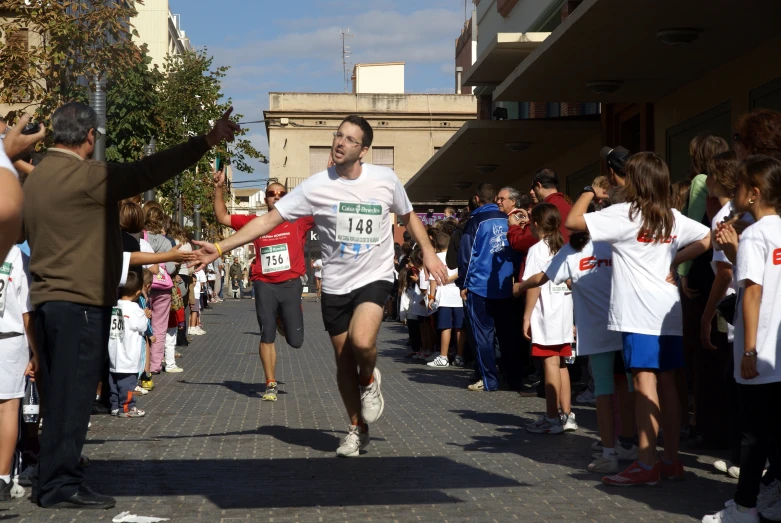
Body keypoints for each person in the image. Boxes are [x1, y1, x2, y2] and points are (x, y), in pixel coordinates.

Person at [191, 115, 448, 457]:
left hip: (374, 276)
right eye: (338, 135)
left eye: (350, 139)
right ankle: (357, 428)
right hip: (336, 283)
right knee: (343, 360)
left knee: (361, 341)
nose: (340, 142)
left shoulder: (385, 180)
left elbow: (408, 215)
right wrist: (221, 248)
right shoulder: (315, 186)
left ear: (364, 150)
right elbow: (267, 220)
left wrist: (429, 254)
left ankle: (370, 380)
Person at [22, 102, 238, 509]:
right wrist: (206, 141)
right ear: (89, 138)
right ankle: (59, 485)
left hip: (47, 299)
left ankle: (54, 475)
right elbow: (150, 170)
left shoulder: (37, 177)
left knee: (59, 394)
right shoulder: (88, 177)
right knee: (75, 396)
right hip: (81, 301)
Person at [566, 152, 711, 487]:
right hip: (667, 309)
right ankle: (671, 461)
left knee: (646, 384)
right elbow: (707, 237)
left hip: (638, 313)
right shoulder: (672, 217)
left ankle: (646, 464)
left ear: (635, 181)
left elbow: (573, 222)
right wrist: (674, 260)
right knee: (670, 384)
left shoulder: (625, 214)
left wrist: (589, 190)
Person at [516, 198, 638, 471]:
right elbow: (566, 280)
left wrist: (520, 290)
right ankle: (624, 442)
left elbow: (542, 278)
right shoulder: (613, 245)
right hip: (615, 327)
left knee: (605, 390)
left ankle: (609, 449)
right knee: (622, 388)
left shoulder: (572, 249)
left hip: (596, 329)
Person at [705, 155, 781, 523]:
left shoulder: (756, 233)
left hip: (761, 351)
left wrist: (748, 349)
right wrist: (736, 251)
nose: (732, 193)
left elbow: (751, 292)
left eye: (737, 188)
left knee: (754, 438)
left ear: (753, 194)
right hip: (778, 353)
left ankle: (743, 508)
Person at [213, 170, 314, 402]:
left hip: (290, 285)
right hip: (264, 284)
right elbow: (222, 217)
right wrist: (218, 188)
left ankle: (283, 321)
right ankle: (270, 383)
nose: (276, 197)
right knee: (266, 332)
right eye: (271, 194)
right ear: (266, 198)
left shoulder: (299, 220)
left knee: (296, 342)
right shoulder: (255, 222)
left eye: (281, 194)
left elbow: (330, 210)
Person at [457, 183, 520, 392]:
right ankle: (513, 378)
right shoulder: (510, 219)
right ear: (494, 198)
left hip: (480, 286)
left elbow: (466, 255)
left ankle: (489, 379)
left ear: (477, 199)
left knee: (484, 335)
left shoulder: (474, 221)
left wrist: (463, 283)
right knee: (508, 335)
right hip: (506, 285)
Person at [519, 203, 576, 434]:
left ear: (535, 224)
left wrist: (526, 316)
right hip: (564, 312)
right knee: (561, 364)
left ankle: (553, 417)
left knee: (550, 363)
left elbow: (533, 285)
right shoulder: (564, 247)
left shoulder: (537, 250)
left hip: (546, 313)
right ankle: (567, 414)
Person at [0, 243, 37, 500]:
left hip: (10, 340)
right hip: (10, 341)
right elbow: (27, 314)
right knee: (8, 408)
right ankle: (2, 477)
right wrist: (37, 353)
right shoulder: (17, 256)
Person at [108, 272, 148, 418]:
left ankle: (114, 405)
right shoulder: (134, 309)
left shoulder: (114, 305)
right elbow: (142, 326)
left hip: (114, 352)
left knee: (113, 382)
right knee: (128, 384)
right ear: (138, 292)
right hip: (129, 353)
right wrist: (145, 314)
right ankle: (127, 407)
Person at [427, 231, 464, 368]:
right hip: (459, 296)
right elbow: (462, 271)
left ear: (436, 245)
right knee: (460, 327)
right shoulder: (457, 256)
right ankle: (460, 356)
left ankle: (443, 356)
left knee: (445, 327)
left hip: (444, 297)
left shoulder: (436, 258)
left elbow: (432, 280)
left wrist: (431, 297)